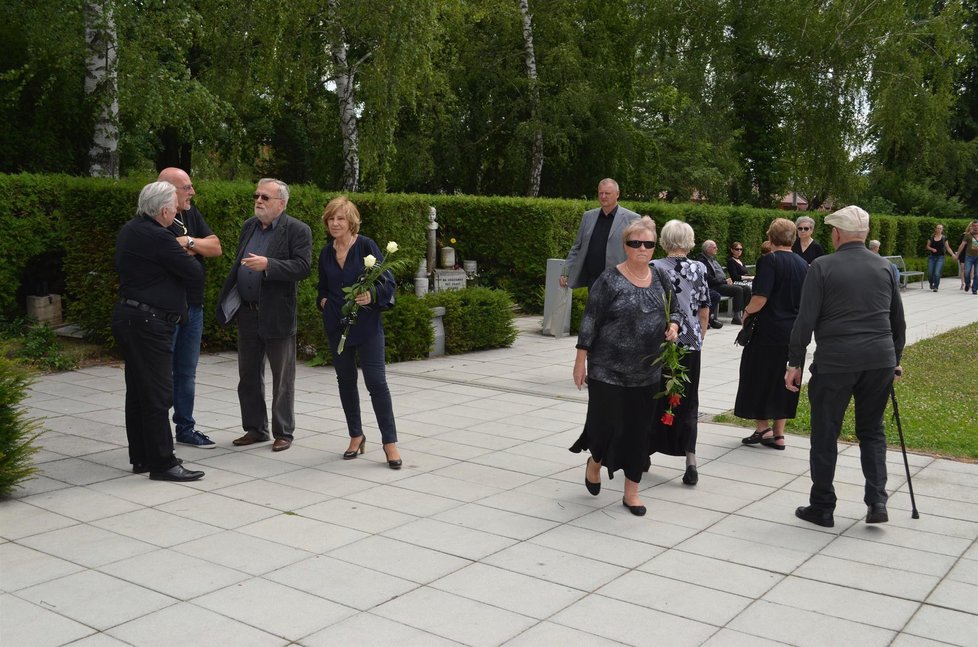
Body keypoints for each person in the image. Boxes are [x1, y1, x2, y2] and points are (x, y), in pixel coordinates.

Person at [787, 205, 906, 528]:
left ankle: (822, 506)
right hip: (879, 360)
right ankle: (877, 500)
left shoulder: (822, 266)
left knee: (825, 434)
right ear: (865, 235)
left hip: (836, 362)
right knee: (872, 432)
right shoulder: (884, 267)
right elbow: (898, 321)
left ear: (837, 234)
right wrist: (895, 360)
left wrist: (794, 362)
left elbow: (805, 320)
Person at [570, 217, 681, 517]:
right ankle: (595, 462)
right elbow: (590, 320)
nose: (642, 249)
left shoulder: (661, 278)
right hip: (607, 368)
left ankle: (631, 492)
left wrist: (673, 325)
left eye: (648, 244)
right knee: (604, 424)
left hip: (646, 370)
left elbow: (677, 311)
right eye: (635, 244)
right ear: (625, 246)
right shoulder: (609, 279)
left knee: (638, 432)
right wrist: (581, 359)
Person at [113, 181, 204, 481]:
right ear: (164, 210)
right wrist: (185, 244)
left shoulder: (130, 229)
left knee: (138, 392)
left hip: (130, 317)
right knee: (157, 394)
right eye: (175, 209)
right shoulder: (160, 236)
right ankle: (163, 462)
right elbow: (194, 273)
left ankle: (141, 456)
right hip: (150, 323)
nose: (177, 212)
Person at [216, 179, 312, 452]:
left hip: (277, 313)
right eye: (256, 195)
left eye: (265, 197)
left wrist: (269, 264)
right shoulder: (249, 226)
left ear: (280, 204)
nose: (258, 200)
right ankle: (255, 429)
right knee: (247, 374)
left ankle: (284, 432)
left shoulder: (297, 230)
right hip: (247, 313)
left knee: (282, 376)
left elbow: (303, 267)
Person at [317, 196, 402, 469]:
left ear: (351, 221)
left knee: (376, 383)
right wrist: (323, 302)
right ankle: (356, 435)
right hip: (337, 326)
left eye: (340, 218)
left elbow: (387, 283)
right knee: (345, 381)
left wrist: (372, 294)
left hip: (367, 326)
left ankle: (389, 442)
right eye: (331, 218)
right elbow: (321, 288)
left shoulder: (366, 246)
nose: (335, 223)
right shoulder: (325, 253)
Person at [158, 167, 222, 449]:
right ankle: (158, 430)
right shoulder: (156, 219)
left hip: (193, 306)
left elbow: (216, 247)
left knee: (187, 371)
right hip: (165, 308)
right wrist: (191, 247)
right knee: (161, 371)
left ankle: (185, 427)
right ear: (169, 190)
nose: (192, 192)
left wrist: (189, 242)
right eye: (187, 188)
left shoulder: (189, 215)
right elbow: (165, 255)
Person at [735, 218, 808, 450]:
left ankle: (763, 428)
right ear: (793, 237)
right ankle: (779, 434)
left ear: (771, 237)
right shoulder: (802, 263)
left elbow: (760, 298)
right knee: (785, 380)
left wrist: (745, 313)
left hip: (768, 331)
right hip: (794, 332)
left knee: (758, 376)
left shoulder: (769, 261)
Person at [651, 220, 711, 485]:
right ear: (689, 240)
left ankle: (644, 452)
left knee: (655, 397)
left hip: (661, 343)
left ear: (664, 240)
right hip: (691, 343)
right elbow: (704, 308)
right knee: (688, 401)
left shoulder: (655, 267)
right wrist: (699, 335)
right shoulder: (699, 268)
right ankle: (691, 460)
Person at [559, 178, 640, 290]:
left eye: (607, 193)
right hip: (593, 282)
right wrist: (566, 271)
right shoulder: (588, 217)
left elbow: (637, 252)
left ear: (617, 194)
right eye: (600, 193)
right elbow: (577, 247)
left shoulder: (632, 219)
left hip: (620, 282)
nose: (603, 196)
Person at [698, 240, 751, 325]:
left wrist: (726, 280)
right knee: (738, 289)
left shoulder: (712, 259)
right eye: (714, 247)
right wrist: (724, 281)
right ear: (708, 249)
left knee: (747, 288)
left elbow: (719, 274)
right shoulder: (703, 261)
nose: (717, 249)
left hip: (721, 283)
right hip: (715, 286)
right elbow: (709, 278)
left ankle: (747, 314)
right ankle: (736, 317)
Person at [924, 225, 956, 292]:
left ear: (942, 230)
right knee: (930, 273)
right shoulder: (931, 237)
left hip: (940, 258)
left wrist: (953, 254)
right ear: (935, 229)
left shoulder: (944, 238)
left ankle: (936, 286)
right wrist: (932, 249)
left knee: (937, 273)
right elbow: (927, 246)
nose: (939, 230)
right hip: (932, 257)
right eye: (938, 228)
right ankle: (931, 283)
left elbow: (948, 248)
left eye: (940, 228)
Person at [955, 220, 978, 294]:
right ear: (972, 226)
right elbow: (962, 245)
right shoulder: (968, 235)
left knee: (977, 274)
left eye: (977, 226)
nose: (976, 227)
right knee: (966, 272)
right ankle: (967, 284)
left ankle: (974, 289)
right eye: (974, 226)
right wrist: (957, 255)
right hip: (969, 256)